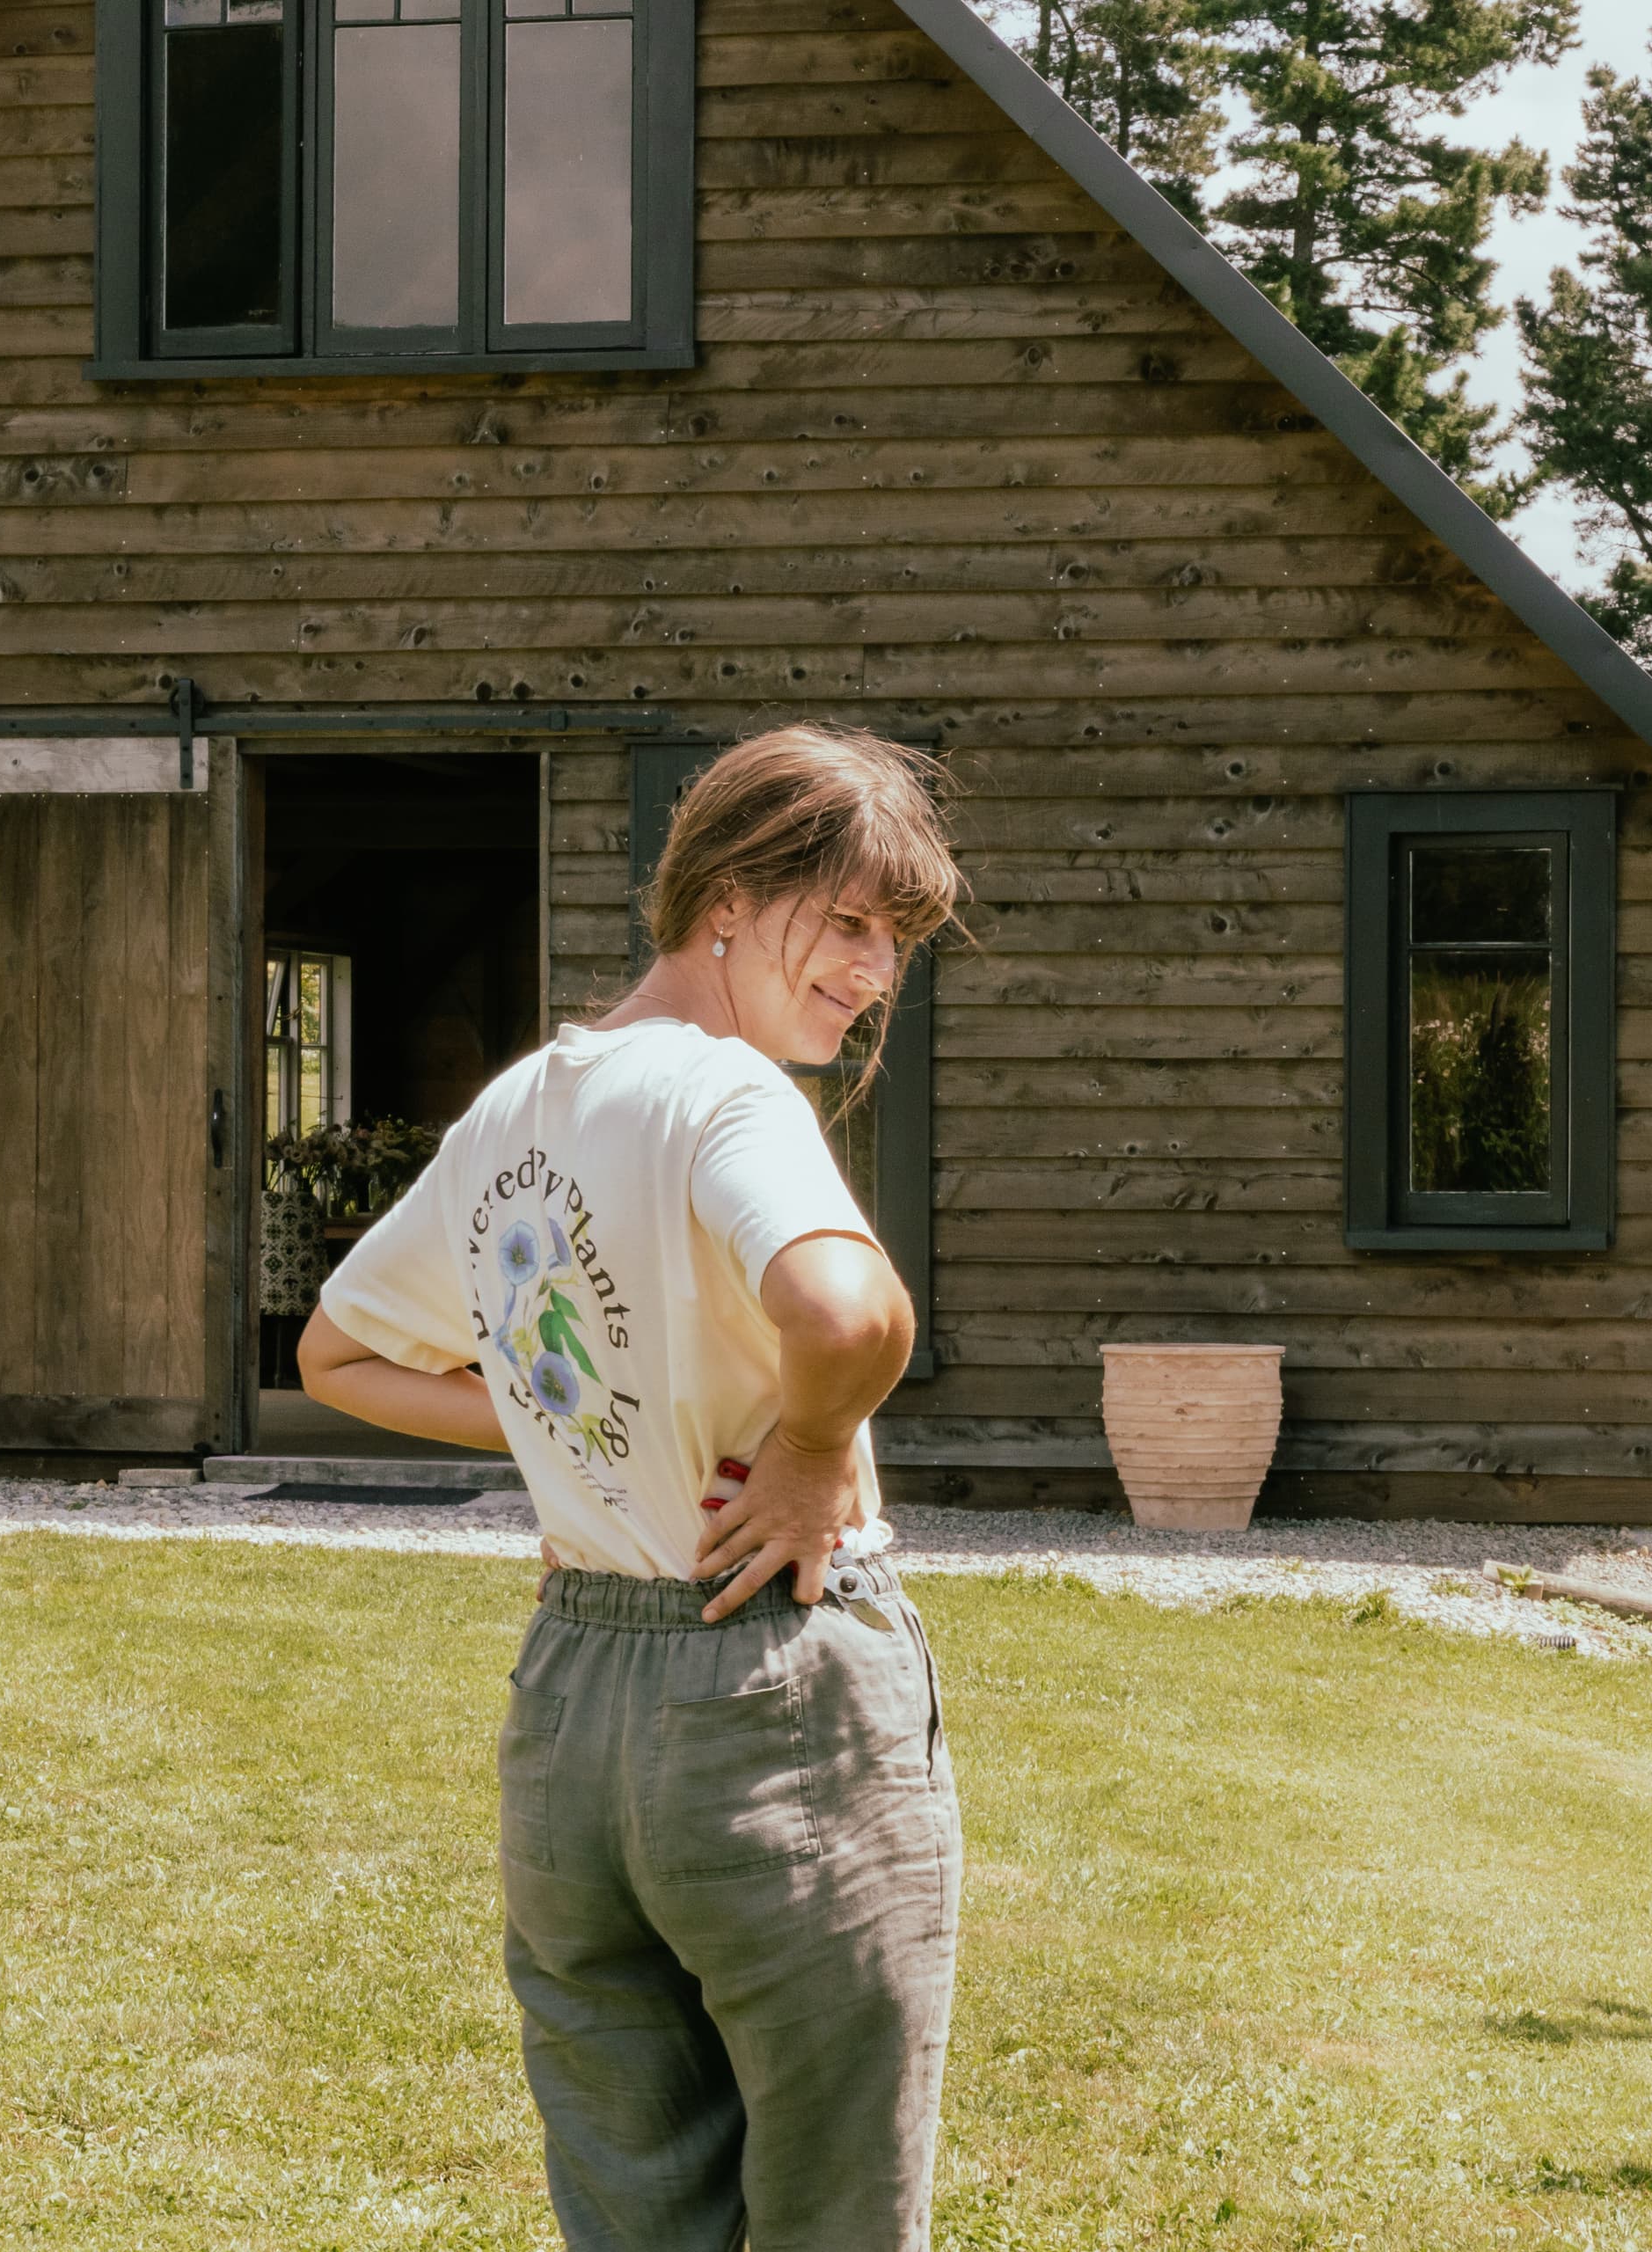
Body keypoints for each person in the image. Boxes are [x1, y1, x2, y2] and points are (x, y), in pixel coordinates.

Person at [297, 721, 967, 2251]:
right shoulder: (726, 1100)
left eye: (896, 942)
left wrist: (564, 1420)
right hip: (771, 1695)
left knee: (637, 2216)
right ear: (727, 893)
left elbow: (338, 1352)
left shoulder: (511, 1111)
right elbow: (851, 1314)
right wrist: (805, 1457)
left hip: (573, 1716)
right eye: (850, 923)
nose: (875, 974)